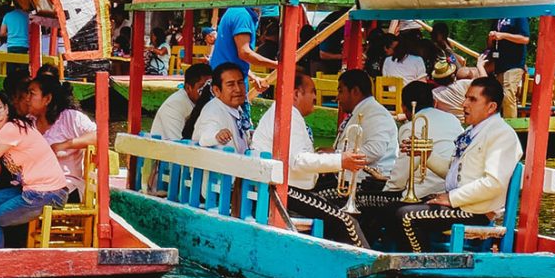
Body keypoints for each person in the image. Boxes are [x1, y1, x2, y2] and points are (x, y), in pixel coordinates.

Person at [390, 77, 523, 253]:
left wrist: (451, 198)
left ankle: (421, 265)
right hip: (460, 205)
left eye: (472, 99)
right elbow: (453, 173)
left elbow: (493, 183)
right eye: (466, 98)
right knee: (392, 208)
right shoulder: (473, 131)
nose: (464, 104)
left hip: (476, 211)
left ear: (491, 107)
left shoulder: (502, 134)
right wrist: (425, 155)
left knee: (406, 216)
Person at [251, 73, 370, 246]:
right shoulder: (288, 115)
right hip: (284, 191)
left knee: (339, 210)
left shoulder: (285, 112)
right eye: (312, 91)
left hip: (282, 187)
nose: (315, 97)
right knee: (346, 221)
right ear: (296, 94)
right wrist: (340, 161)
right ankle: (370, 261)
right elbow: (298, 161)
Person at [0, 92, 70, 249]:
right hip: (35, 190)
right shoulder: (3, 132)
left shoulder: (11, 128)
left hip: (47, 193)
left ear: (7, 109)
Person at [384, 81, 462, 199]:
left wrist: (386, 192)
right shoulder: (453, 119)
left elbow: (402, 173)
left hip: (422, 193)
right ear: (434, 103)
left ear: (403, 107)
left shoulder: (409, 128)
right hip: (453, 189)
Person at [28, 74, 98, 198]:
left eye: (32, 94)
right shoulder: (29, 121)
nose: (27, 98)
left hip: (66, 188)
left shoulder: (69, 117)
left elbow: (98, 136)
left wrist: (66, 145)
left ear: (47, 99)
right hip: (34, 187)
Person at [208, 6, 278, 88]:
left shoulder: (236, 11)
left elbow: (232, 56)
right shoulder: (243, 16)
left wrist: (253, 77)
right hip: (230, 83)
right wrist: (277, 65)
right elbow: (244, 53)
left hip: (224, 80)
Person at [189, 62, 253, 153]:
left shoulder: (237, 109)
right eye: (230, 84)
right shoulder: (212, 111)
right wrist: (217, 135)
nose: (238, 89)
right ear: (216, 90)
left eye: (240, 83)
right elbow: (205, 136)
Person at [151, 63, 213, 141]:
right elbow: (178, 143)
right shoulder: (174, 106)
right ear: (188, 88)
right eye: (202, 87)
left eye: (210, 87)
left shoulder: (211, 103)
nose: (208, 91)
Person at [489, 16, 530, 118]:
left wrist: (503, 35)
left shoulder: (519, 15)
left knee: (508, 95)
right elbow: (490, 45)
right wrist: (491, 38)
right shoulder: (497, 17)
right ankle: (498, 122)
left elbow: (525, 39)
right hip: (499, 64)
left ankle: (512, 125)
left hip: (515, 63)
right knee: (498, 97)